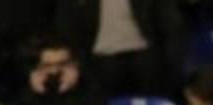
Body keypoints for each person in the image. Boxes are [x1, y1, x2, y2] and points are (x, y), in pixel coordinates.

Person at [53, 0, 187, 97]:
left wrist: (172, 64)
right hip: (100, 60)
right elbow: (68, 29)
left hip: (145, 56)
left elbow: (171, 26)